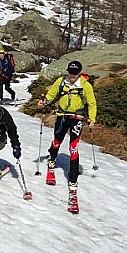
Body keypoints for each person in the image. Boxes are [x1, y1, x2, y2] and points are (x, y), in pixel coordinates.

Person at [38, 60, 97, 213]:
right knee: (56, 142)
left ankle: (73, 188)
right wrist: (44, 102)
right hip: (62, 116)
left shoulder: (85, 85)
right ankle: (51, 167)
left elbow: (91, 103)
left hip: (76, 118)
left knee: (73, 149)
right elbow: (51, 95)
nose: (72, 76)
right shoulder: (61, 81)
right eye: (70, 73)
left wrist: (92, 118)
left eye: (75, 74)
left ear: (79, 73)